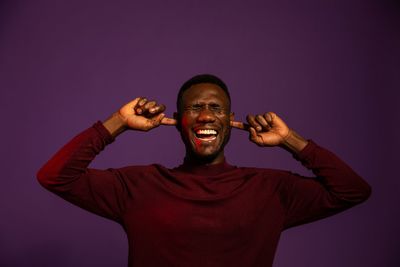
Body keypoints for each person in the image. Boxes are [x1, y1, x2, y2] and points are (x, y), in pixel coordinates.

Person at [37, 74, 371, 267]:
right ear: (179, 123)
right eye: (195, 108)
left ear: (229, 121)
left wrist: (290, 140)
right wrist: (118, 123)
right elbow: (55, 176)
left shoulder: (270, 189)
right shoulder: (137, 186)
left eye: (216, 108)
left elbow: (352, 190)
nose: (206, 116)